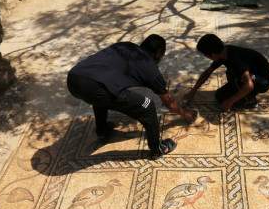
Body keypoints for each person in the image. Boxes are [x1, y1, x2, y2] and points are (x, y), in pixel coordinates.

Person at [67, 34, 196, 159]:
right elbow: (169, 102)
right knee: (148, 106)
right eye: (161, 55)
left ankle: (102, 131)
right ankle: (157, 149)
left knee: (104, 91)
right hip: (95, 87)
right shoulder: (150, 68)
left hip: (74, 77)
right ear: (158, 53)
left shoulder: (125, 46)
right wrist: (185, 113)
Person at [184, 34, 269, 111]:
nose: (207, 57)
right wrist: (193, 90)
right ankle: (240, 90)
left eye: (206, 55)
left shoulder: (236, 60)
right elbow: (207, 73)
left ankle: (250, 100)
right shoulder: (223, 53)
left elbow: (249, 85)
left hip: (263, 81)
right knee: (223, 89)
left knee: (223, 99)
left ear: (213, 54)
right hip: (253, 74)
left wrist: (230, 102)